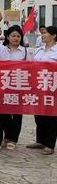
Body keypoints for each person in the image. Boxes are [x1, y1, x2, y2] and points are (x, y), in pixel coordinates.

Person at [27, 26, 57, 155]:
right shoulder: (38, 50)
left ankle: (50, 144)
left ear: (54, 35)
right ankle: (41, 140)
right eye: (42, 33)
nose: (42, 35)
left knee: (51, 116)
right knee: (39, 114)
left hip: (52, 88)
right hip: (38, 87)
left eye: (45, 33)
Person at [0, 25, 28, 151]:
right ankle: (7, 135)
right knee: (4, 112)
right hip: (4, 85)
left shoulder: (25, 52)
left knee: (17, 113)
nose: (16, 38)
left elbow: (30, 68)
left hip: (19, 85)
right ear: (8, 37)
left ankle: (13, 138)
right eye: (13, 36)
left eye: (18, 36)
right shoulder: (2, 50)